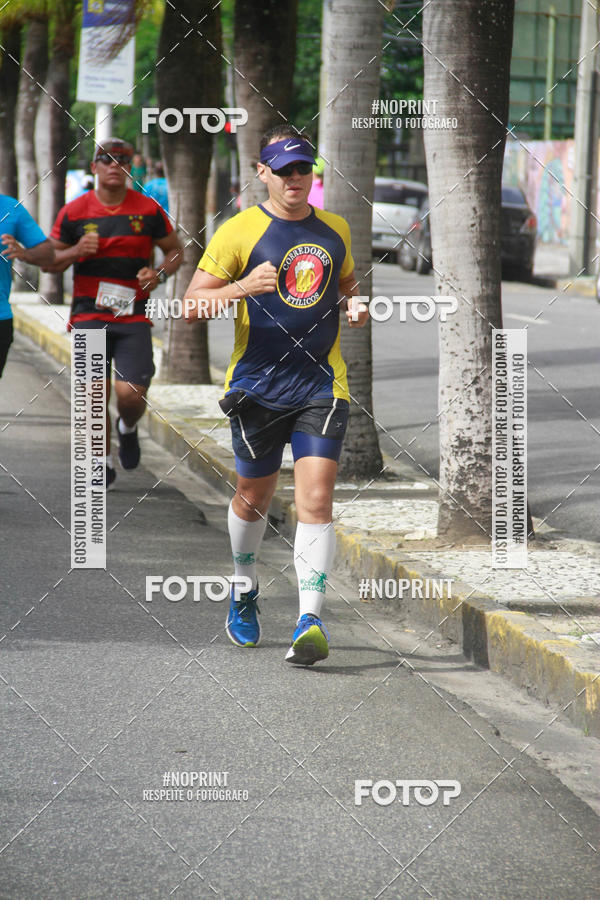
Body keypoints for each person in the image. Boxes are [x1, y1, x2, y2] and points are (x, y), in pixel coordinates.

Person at [183, 126, 368, 665]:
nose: (294, 178)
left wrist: (354, 305)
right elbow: (192, 305)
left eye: (303, 168)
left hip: (321, 385)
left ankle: (310, 619)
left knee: (316, 500)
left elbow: (346, 283)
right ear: (262, 173)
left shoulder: (334, 228)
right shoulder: (239, 231)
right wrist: (242, 286)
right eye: (283, 170)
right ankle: (243, 586)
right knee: (253, 497)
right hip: (257, 386)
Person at [47, 138, 183, 487]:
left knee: (131, 395)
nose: (114, 165)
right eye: (106, 159)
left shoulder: (148, 209)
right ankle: (101, 461)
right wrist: (77, 250)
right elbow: (50, 263)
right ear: (94, 167)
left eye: (121, 160)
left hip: (133, 315)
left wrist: (158, 274)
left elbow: (176, 251)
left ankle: (128, 425)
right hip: (88, 314)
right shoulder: (74, 212)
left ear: (129, 168)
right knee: (94, 393)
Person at [0, 196, 55, 377]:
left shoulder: (10, 208)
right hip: (90, 316)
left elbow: (48, 254)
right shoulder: (79, 209)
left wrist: (24, 253)